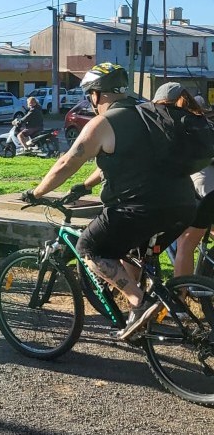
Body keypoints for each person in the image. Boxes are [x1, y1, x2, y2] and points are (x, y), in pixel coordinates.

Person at [25, 64, 196, 340]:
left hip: (140, 207)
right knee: (133, 253)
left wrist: (37, 192)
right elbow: (119, 160)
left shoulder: (104, 122)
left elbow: (68, 162)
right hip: (184, 204)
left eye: (90, 94)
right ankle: (136, 320)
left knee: (89, 247)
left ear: (97, 94)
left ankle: (140, 304)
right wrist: (86, 186)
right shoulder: (148, 113)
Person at [150, 83, 213, 277]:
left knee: (185, 243)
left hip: (202, 191)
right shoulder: (203, 123)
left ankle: (180, 297)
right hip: (208, 191)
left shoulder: (171, 124)